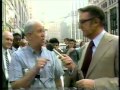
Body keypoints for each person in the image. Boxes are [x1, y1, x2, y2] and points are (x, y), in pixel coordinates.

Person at [60, 5, 119, 90]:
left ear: (96, 22)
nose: (79, 27)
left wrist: (96, 85)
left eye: (82, 22)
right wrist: (72, 68)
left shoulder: (116, 43)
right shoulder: (86, 47)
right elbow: (83, 78)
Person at [8, 20, 64, 90]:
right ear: (29, 36)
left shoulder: (51, 53)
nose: (43, 34)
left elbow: (58, 80)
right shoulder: (17, 56)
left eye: (44, 31)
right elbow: (15, 86)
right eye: (40, 31)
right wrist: (34, 70)